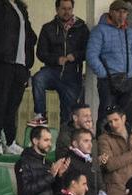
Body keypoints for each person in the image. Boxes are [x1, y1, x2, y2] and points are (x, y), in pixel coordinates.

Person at [0, 0, 36, 154]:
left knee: (12, 106)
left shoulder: (20, 8)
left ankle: (10, 140)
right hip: (2, 62)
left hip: (20, 65)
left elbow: (29, 34)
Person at [29, 0, 88, 129]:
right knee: (38, 79)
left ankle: (64, 143)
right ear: (57, 9)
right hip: (52, 71)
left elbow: (88, 51)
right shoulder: (47, 28)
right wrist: (57, 59)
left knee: (68, 116)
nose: (67, 12)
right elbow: (40, 52)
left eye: (69, 8)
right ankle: (40, 115)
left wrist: (75, 56)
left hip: (72, 75)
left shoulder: (82, 28)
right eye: (63, 9)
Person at [87, 1, 132, 123]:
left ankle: (122, 142)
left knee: (125, 117)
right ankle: (103, 141)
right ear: (111, 12)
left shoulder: (130, 33)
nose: (122, 15)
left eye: (124, 12)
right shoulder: (99, 30)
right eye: (118, 11)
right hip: (108, 81)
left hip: (129, 80)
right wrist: (104, 74)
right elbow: (91, 55)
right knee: (106, 116)